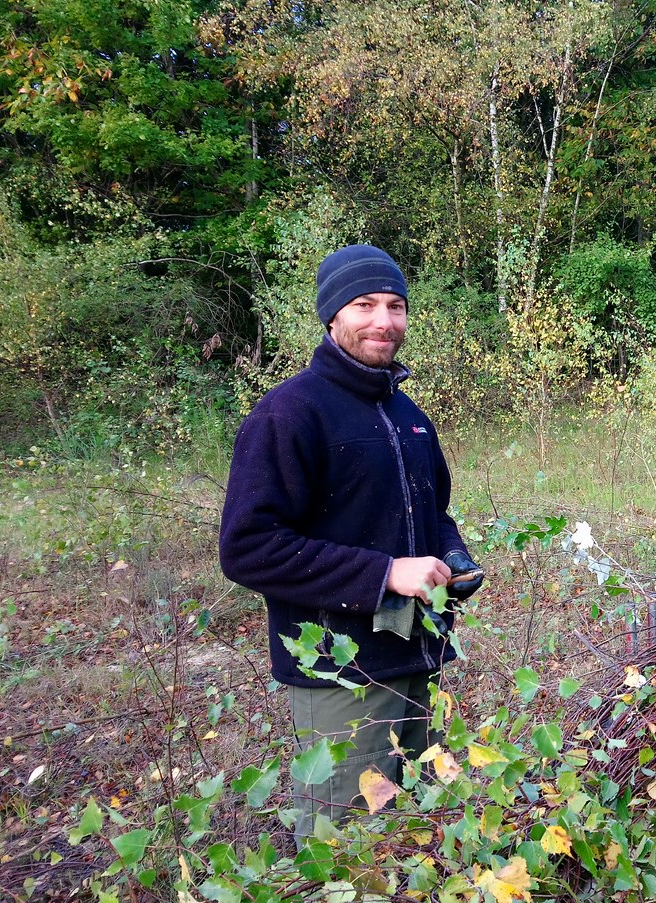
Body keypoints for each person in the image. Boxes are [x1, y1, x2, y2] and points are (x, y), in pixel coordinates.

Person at [218, 244, 484, 838]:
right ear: (331, 316)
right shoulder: (290, 414)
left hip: (418, 663)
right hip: (342, 676)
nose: (383, 321)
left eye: (395, 305)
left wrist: (453, 554)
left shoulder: (409, 415)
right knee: (349, 852)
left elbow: (433, 511)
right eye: (364, 305)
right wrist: (386, 572)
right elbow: (247, 546)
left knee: (421, 837)